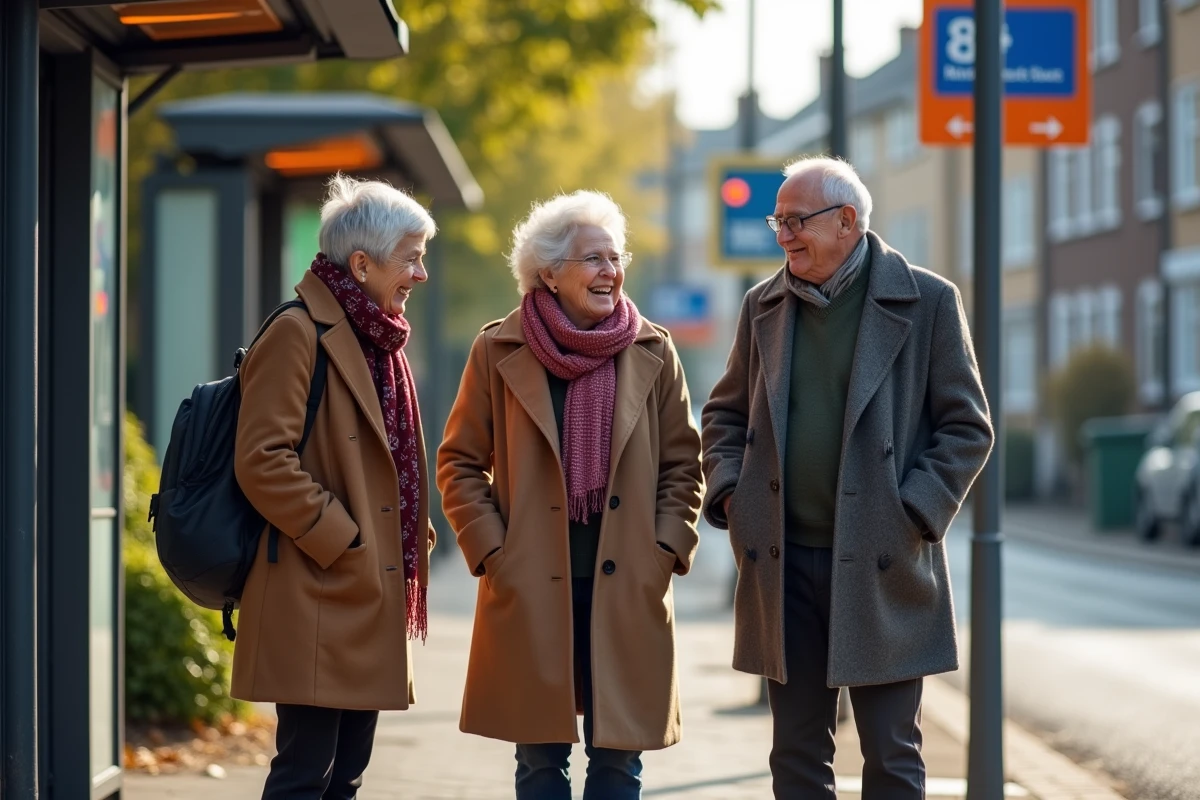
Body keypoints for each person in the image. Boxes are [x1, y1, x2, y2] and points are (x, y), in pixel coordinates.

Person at [700, 156, 994, 798]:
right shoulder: (763, 304)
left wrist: (914, 511)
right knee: (796, 754)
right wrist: (731, 496)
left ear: (847, 221)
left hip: (883, 562)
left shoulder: (929, 301)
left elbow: (968, 428)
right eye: (777, 220)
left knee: (891, 755)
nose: (782, 234)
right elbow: (723, 412)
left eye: (794, 220)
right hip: (784, 563)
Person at [436, 190, 704, 800]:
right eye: (593, 259)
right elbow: (459, 462)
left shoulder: (653, 351)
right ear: (549, 273)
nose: (610, 271)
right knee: (539, 763)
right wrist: (493, 552)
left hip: (626, 584)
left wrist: (663, 550)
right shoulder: (497, 348)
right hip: (530, 584)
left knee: (618, 765)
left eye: (615, 257)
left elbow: (683, 465)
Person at [233, 174, 438, 799]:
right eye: (411, 258)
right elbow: (262, 459)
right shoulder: (298, 332)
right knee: (304, 775)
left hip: (361, 590)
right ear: (361, 263)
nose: (420, 275)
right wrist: (345, 538)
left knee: (345, 775)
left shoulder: (380, 339)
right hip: (318, 585)